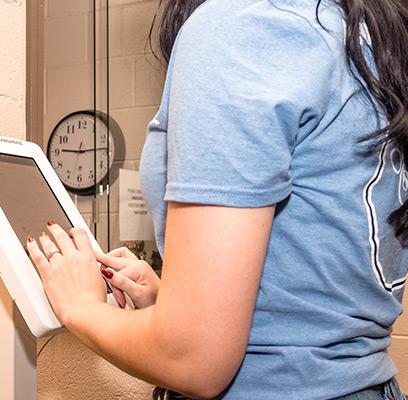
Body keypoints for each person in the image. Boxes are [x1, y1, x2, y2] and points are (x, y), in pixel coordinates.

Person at [25, 1, 408, 399]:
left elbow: (192, 359)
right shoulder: (356, 34)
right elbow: (317, 275)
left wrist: (82, 307)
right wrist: (173, 301)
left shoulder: (244, 26)